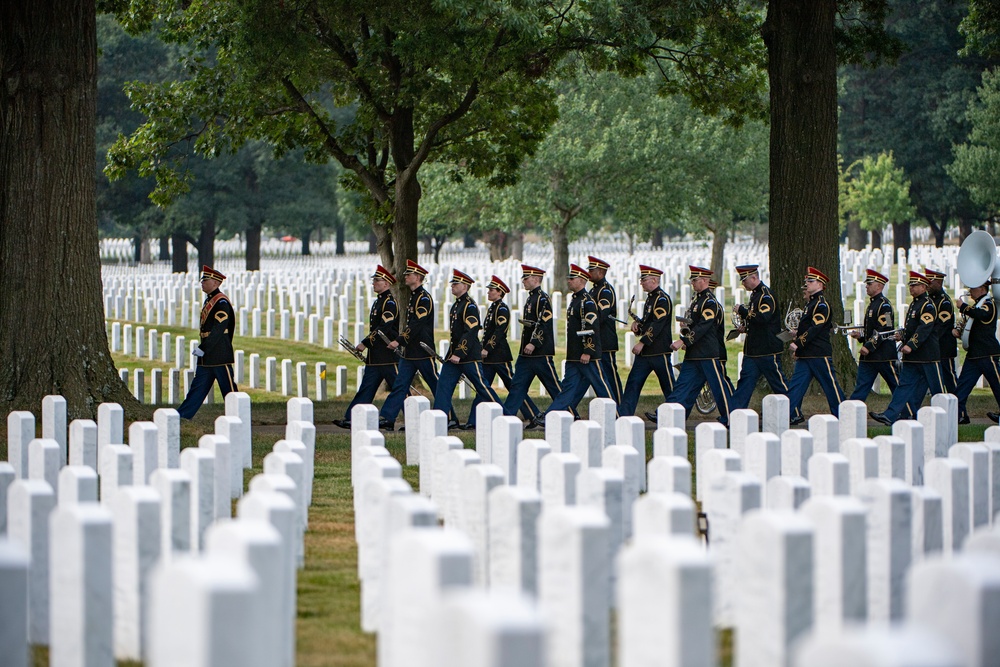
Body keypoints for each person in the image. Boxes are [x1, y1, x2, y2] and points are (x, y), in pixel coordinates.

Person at [529, 263, 615, 426]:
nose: (568, 281)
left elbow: (591, 328)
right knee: (568, 389)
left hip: (586, 355)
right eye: (568, 278)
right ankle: (551, 416)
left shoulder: (587, 302)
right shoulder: (576, 300)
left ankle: (616, 416)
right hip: (574, 355)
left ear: (582, 280)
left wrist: (588, 351)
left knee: (601, 387)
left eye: (572, 278)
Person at [870, 271, 944, 426]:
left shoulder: (927, 305)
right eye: (911, 285)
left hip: (928, 356)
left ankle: (946, 416)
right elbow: (911, 329)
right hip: (913, 357)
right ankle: (891, 415)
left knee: (937, 388)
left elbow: (924, 328)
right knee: (904, 386)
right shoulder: (914, 304)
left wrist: (910, 344)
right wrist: (902, 337)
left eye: (915, 285)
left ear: (924, 287)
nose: (911, 288)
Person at [434, 270, 504, 429]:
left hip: (468, 356)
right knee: (443, 386)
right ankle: (440, 418)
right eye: (452, 283)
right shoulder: (457, 305)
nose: (452, 286)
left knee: (482, 387)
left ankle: (505, 414)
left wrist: (459, 353)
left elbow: (471, 331)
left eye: (455, 284)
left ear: (464, 286)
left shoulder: (469, 306)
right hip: (454, 356)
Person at [664, 266, 733, 426]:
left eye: (695, 280)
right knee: (683, 386)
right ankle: (669, 414)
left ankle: (730, 416)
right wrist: (685, 327)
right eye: (692, 280)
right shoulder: (697, 301)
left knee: (718, 387)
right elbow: (695, 325)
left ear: (704, 280)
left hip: (707, 353)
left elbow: (703, 327)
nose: (692, 283)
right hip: (694, 353)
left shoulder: (710, 303)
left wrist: (684, 341)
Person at [333, 265, 399, 429]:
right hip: (376, 356)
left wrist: (365, 343)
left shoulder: (389, 303)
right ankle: (352, 417)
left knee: (400, 389)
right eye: (374, 280)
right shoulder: (380, 302)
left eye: (377, 280)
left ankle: (413, 417)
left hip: (387, 355)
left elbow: (383, 328)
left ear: (387, 283)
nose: (374, 283)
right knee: (367, 388)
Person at [728, 264, 797, 419]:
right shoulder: (755, 295)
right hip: (753, 350)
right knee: (744, 385)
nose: (743, 283)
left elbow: (763, 318)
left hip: (767, 349)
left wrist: (743, 311)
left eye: (745, 280)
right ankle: (732, 415)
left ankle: (794, 412)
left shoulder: (767, 296)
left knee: (778, 383)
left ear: (754, 278)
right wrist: (745, 327)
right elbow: (756, 322)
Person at [378, 259, 441, 430]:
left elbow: (416, 325)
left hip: (422, 349)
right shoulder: (414, 297)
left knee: (436, 385)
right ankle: (388, 418)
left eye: (410, 274)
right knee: (400, 385)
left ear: (419, 277)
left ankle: (448, 416)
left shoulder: (424, 298)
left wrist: (399, 340)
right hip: (410, 351)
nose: (406, 276)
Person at [470, 275, 541, 423]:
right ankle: (473, 420)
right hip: (489, 357)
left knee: (513, 387)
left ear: (500, 292)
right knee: (482, 388)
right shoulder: (493, 308)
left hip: (499, 355)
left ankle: (533, 415)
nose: (489, 292)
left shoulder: (502, 309)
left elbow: (499, 331)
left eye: (492, 290)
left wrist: (487, 348)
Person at [502, 265, 565, 427]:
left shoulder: (542, 299)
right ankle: (506, 417)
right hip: (526, 354)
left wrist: (534, 343)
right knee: (517, 386)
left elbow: (544, 324)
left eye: (526, 278)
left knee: (554, 387)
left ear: (536, 279)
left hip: (539, 352)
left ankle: (571, 415)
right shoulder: (532, 298)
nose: (523, 281)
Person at [786, 266, 846, 422]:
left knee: (831, 387)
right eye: (807, 281)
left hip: (819, 353)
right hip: (806, 354)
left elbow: (816, 328)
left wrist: (798, 342)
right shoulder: (811, 304)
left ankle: (845, 415)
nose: (807, 284)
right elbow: (808, 327)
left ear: (820, 284)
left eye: (811, 281)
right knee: (796, 387)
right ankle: (785, 415)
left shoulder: (821, 305)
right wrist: (797, 335)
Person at [177, 265, 237, 419]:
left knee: (229, 392)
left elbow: (219, 329)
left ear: (216, 283)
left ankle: (239, 416)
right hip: (208, 357)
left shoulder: (221, 303)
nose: (202, 282)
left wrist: (204, 347)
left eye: (205, 280)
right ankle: (182, 416)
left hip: (219, 355)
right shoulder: (210, 300)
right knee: (197, 389)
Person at [619, 265, 675, 418]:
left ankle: (674, 414)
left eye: (644, 280)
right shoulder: (651, 298)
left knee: (669, 386)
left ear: (654, 280)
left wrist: (642, 342)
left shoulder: (662, 299)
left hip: (659, 350)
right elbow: (649, 322)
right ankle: (624, 415)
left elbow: (658, 324)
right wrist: (638, 327)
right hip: (646, 353)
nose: (641, 283)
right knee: (633, 383)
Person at [847, 269, 901, 405]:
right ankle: (851, 411)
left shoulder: (885, 305)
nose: (866, 286)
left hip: (883, 355)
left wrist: (868, 346)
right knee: (861, 387)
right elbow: (872, 330)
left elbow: (886, 330)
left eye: (869, 284)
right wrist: (861, 336)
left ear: (879, 286)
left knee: (897, 386)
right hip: (870, 357)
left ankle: (909, 411)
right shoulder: (873, 304)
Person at [952, 282, 1000, 424]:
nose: (970, 291)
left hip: (987, 354)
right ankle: (959, 414)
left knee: (997, 385)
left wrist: (964, 307)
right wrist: (959, 332)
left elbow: (983, 315)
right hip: (974, 355)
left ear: (982, 289)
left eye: (972, 288)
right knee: (962, 386)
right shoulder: (977, 305)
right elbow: (974, 329)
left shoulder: (988, 304)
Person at [587, 256, 623, 404]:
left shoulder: (605, 291)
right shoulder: (594, 290)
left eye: (592, 270)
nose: (589, 272)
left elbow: (601, 315)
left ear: (601, 272)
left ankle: (619, 405)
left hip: (605, 340)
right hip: (596, 340)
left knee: (610, 374)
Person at [925, 267, 958, 394]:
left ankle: (959, 409)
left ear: (938, 283)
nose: (927, 285)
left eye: (930, 282)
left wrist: (928, 341)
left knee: (949, 379)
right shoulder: (930, 300)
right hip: (933, 347)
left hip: (944, 347)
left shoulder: (944, 302)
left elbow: (941, 327)